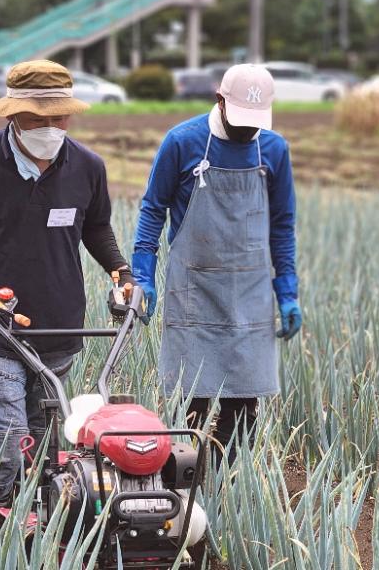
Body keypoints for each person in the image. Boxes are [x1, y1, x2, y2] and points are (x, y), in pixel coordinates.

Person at [0, 60, 133, 504]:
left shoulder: (88, 167)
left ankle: (41, 521)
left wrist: (122, 271)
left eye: (59, 117)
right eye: (39, 118)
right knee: (8, 441)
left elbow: (95, 228)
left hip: (60, 323)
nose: (52, 127)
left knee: (45, 443)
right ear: (12, 115)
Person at [132, 64, 302, 463]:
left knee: (243, 407)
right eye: (239, 118)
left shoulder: (273, 150)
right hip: (194, 289)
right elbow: (153, 208)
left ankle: (230, 490)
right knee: (191, 403)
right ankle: (184, 486)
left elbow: (282, 224)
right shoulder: (183, 142)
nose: (247, 131)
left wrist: (287, 292)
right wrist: (144, 275)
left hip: (250, 293)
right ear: (219, 100)